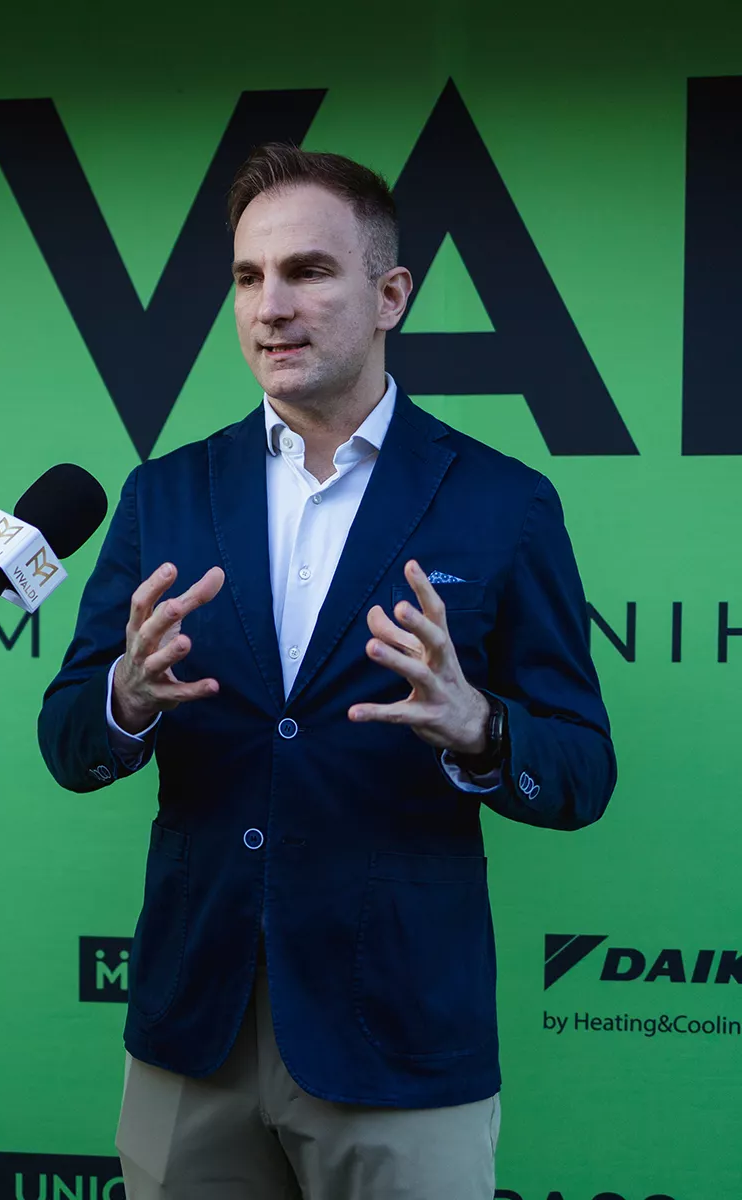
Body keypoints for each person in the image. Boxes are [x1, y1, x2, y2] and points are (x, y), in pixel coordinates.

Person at [39, 144, 615, 1198]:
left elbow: (580, 770)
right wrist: (123, 701)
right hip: (192, 1028)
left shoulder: (504, 503)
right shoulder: (164, 494)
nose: (271, 307)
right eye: (248, 277)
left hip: (398, 1033)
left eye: (308, 272)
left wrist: (481, 729)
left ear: (390, 295)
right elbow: (68, 739)